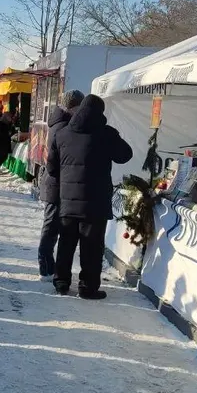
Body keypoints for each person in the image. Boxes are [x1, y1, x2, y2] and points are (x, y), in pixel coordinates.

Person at [50, 94, 133, 300]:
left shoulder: (62, 134)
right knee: (92, 247)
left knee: (66, 243)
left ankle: (61, 282)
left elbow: (52, 168)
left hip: (67, 201)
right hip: (96, 203)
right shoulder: (106, 134)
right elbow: (125, 155)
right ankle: (87, 288)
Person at [37, 90, 84, 282]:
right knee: (51, 227)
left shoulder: (59, 122)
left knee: (53, 226)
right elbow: (55, 161)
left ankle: (48, 266)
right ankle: (46, 268)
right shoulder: (63, 127)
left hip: (56, 183)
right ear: (73, 107)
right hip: (55, 184)